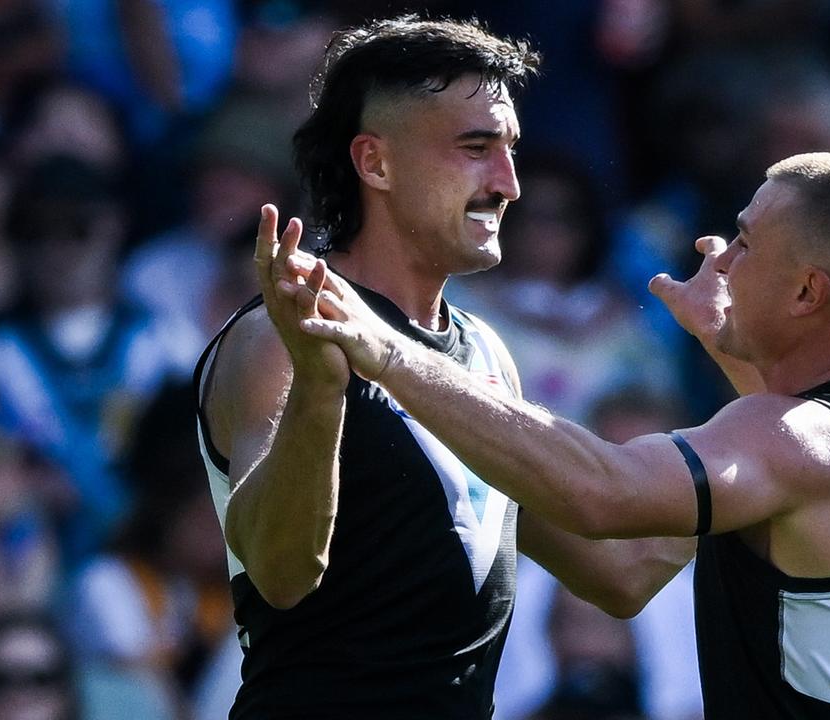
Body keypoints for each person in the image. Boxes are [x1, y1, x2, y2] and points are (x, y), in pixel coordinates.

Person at [272, 151, 830, 719]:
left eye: (747, 244)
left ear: (806, 294)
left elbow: (604, 494)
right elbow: (640, 569)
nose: (720, 260)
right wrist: (732, 344)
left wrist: (389, 351)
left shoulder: (794, 441)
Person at [195, 16, 691, 719]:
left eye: (510, 150)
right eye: (476, 148)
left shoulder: (486, 353)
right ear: (376, 163)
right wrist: (320, 388)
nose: (510, 183)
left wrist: (758, 402)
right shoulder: (280, 337)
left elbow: (619, 575)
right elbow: (279, 573)